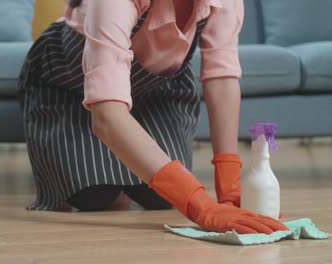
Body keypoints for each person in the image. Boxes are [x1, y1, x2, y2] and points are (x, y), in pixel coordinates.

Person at [18, 0, 289, 234]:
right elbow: (106, 117)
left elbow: (222, 77)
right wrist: (202, 207)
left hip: (155, 89)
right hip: (67, 85)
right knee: (93, 197)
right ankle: (111, 166)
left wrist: (229, 186)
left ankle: (123, 160)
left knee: (160, 196)